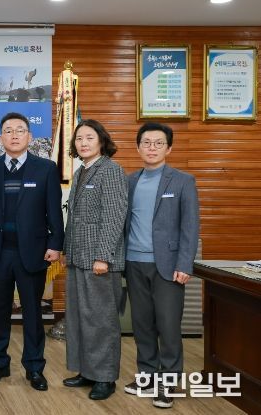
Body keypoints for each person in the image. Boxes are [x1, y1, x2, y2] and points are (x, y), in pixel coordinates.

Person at [0, 112, 64, 392]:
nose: (14, 135)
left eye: (20, 130)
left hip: (33, 253)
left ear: (29, 136)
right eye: (8, 130)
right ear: (1, 137)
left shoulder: (45, 168)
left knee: (32, 313)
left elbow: (54, 210)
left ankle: (34, 367)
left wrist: (56, 244)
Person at [123, 122, 199, 409]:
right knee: (142, 325)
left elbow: (190, 226)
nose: (151, 147)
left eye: (158, 143)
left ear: (169, 148)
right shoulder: (130, 181)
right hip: (134, 262)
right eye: (146, 142)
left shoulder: (182, 181)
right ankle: (147, 377)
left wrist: (185, 264)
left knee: (168, 326)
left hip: (168, 266)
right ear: (138, 147)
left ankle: (168, 382)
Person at [62, 119, 127, 401]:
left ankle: (105, 377)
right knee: (79, 317)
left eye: (89, 137)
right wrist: (67, 250)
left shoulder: (111, 170)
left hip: (99, 261)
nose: (83, 143)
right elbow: (75, 218)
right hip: (78, 258)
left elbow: (114, 216)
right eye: (79, 138)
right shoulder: (81, 172)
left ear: (101, 141)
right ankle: (87, 371)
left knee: (101, 320)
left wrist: (103, 256)